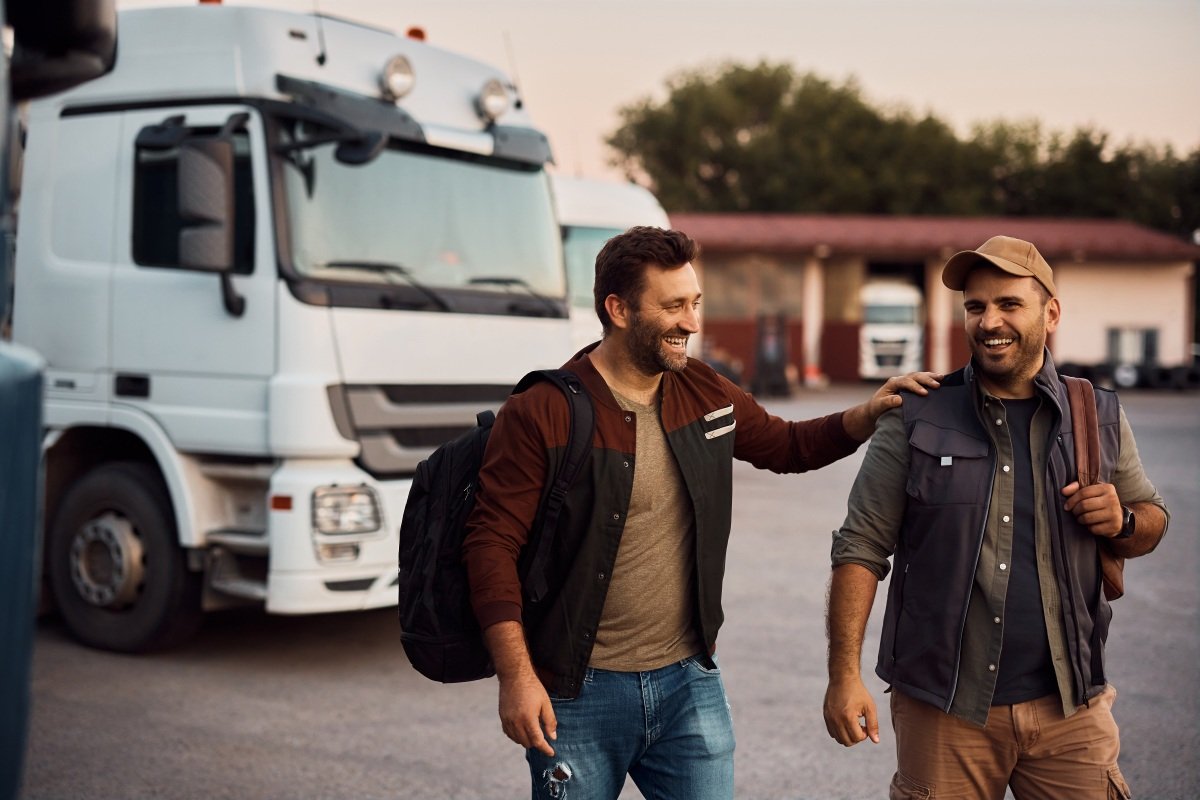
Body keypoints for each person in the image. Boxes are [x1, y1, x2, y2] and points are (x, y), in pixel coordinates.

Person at [462, 226, 941, 800]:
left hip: (689, 683)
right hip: (574, 693)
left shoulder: (702, 389)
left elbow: (786, 446)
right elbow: (491, 545)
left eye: (694, 304)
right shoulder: (544, 411)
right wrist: (516, 677)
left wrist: (867, 411)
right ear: (618, 309)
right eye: (672, 306)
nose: (691, 322)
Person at [823, 235, 1170, 799]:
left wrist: (1124, 521)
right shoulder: (916, 412)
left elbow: (1152, 517)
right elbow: (860, 547)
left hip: (1071, 709)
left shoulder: (1096, 412)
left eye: (1009, 304)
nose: (989, 321)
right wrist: (844, 675)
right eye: (975, 306)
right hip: (945, 711)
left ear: (1049, 313)